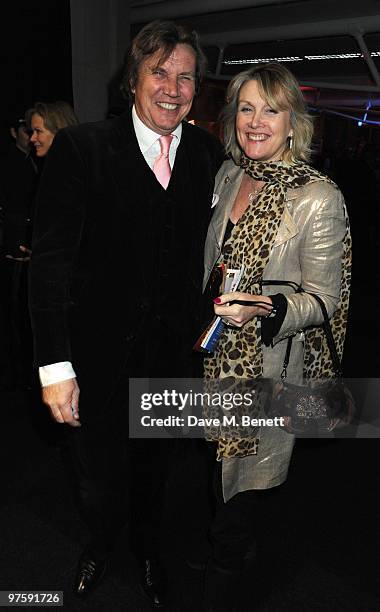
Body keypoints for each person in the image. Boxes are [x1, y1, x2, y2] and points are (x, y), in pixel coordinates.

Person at [28, 20, 223, 607]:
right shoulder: (82, 148)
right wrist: (54, 367)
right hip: (93, 360)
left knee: (155, 472)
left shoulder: (210, 156)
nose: (173, 86)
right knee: (97, 477)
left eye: (185, 75)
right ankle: (101, 540)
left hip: (171, 359)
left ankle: (146, 549)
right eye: (159, 72)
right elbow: (50, 265)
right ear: (131, 81)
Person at [202, 63, 351, 611]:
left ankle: (224, 582)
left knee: (240, 494)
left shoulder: (319, 197)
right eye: (245, 107)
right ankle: (227, 547)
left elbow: (324, 299)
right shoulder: (228, 174)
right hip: (213, 355)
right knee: (214, 475)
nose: (256, 121)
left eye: (271, 109)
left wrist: (264, 309)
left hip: (267, 364)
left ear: (293, 122)